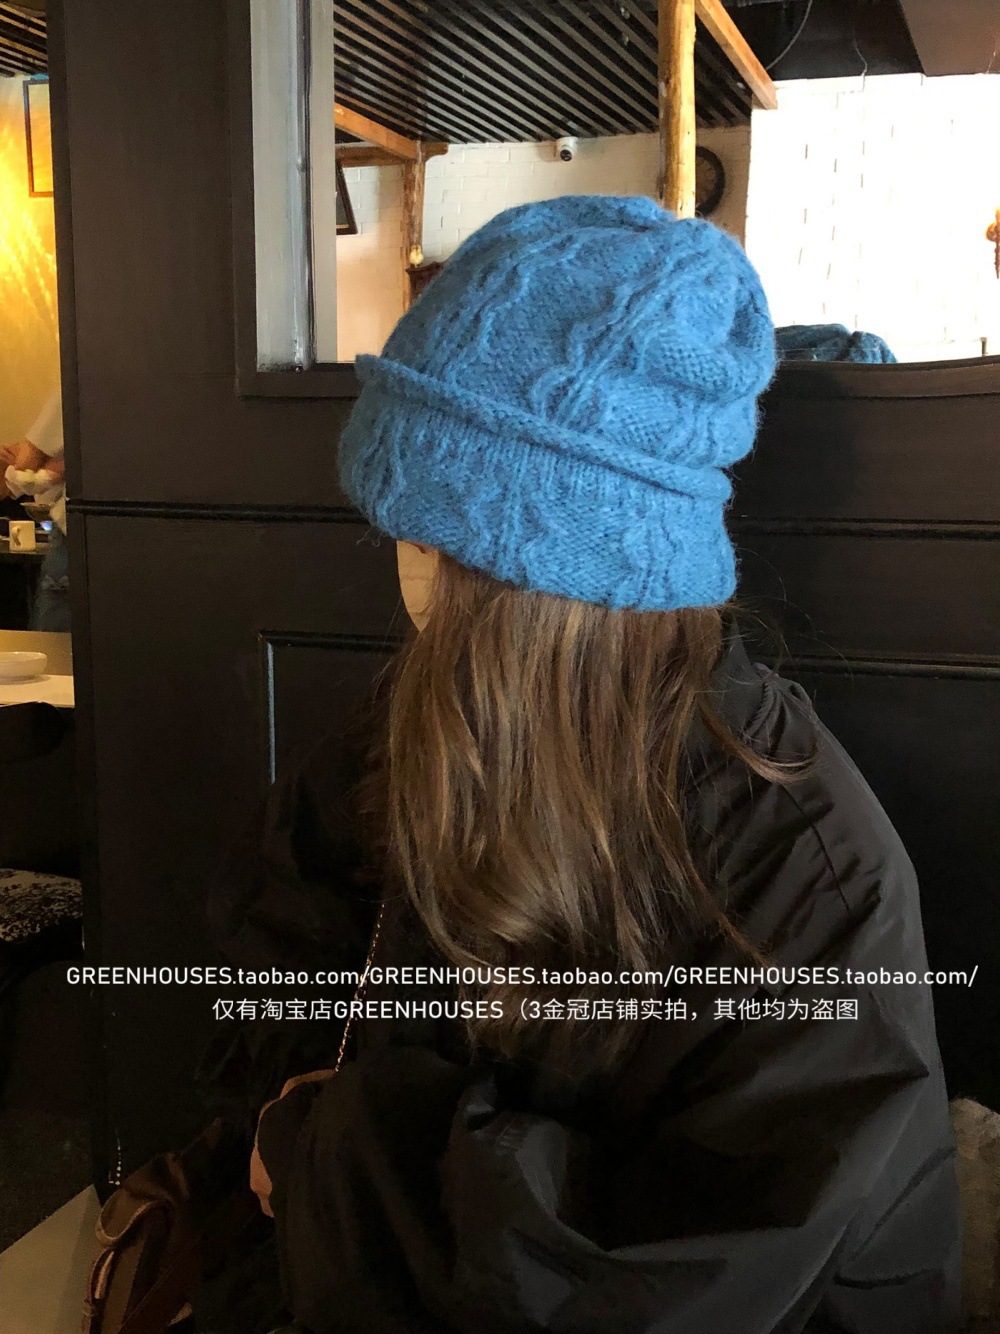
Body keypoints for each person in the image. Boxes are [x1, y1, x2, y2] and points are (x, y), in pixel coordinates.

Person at [207, 196, 961, 1333]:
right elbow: (275, 962)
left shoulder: (807, 876)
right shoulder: (424, 724)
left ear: (515, 572)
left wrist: (326, 1147)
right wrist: (291, 1110)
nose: (396, 554)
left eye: (420, 525)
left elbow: (655, 1278)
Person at [1, 386, 70, 632]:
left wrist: (18, 465)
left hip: (72, 535)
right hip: (121, 533)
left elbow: (25, 466)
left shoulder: (72, 390)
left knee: (52, 643)